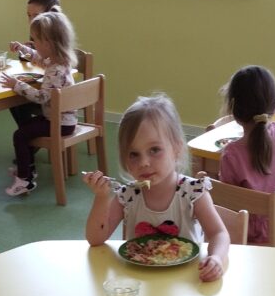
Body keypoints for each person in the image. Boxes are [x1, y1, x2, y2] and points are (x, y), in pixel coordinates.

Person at [83, 94, 230, 282]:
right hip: (139, 283)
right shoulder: (128, 195)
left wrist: (216, 258)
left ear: (176, 149)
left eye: (154, 150)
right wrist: (101, 197)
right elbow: (95, 239)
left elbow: (219, 234)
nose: (144, 162)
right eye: (134, 154)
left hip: (185, 283)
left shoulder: (193, 192)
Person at [217, 66, 275, 244]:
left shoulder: (231, 153)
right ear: (271, 106)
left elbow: (228, 202)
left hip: (244, 230)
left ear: (233, 108)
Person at [1, 11, 78, 197]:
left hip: (59, 123)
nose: (33, 43)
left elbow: (41, 97)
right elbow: (39, 58)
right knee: (25, 128)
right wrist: (23, 49)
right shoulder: (60, 62)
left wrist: (17, 85)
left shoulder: (55, 71)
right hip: (64, 120)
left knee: (20, 135)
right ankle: (26, 169)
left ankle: (24, 180)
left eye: (35, 40)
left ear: (48, 43)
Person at [10, 0, 62, 127]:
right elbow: (36, 60)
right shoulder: (38, 32)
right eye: (29, 15)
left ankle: (28, 133)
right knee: (15, 97)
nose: (32, 20)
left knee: (16, 98)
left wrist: (29, 52)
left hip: (51, 97)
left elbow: (46, 63)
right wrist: (23, 50)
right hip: (45, 87)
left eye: (36, 15)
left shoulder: (57, 38)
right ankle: (28, 132)